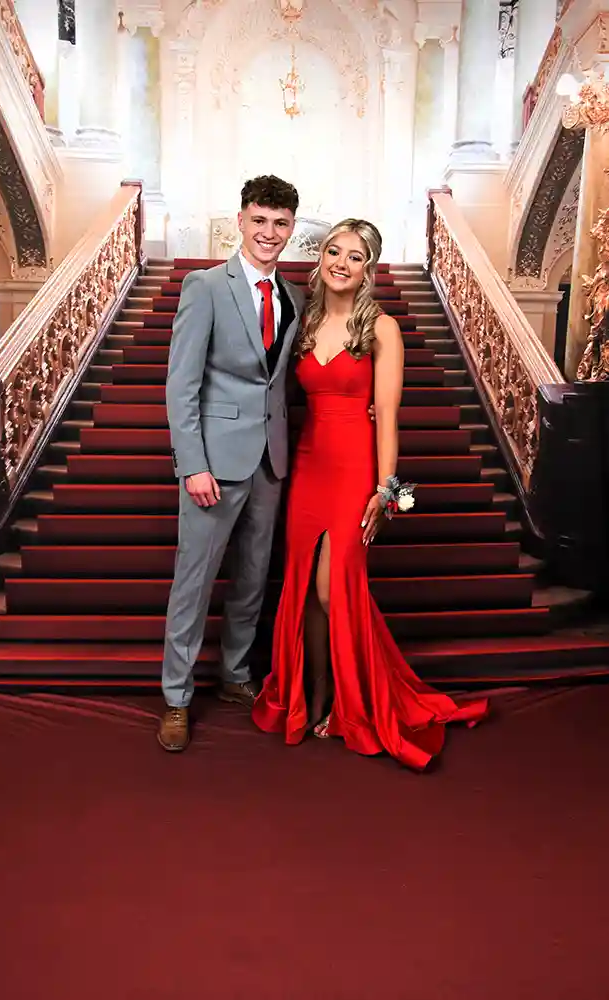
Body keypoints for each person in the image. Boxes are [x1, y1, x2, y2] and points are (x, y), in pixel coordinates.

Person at [252, 219, 489, 770]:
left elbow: (388, 418)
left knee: (336, 590)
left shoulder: (382, 328)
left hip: (357, 468)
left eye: (355, 256)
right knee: (307, 590)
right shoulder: (303, 320)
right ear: (321, 257)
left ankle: (351, 701)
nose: (341, 262)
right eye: (334, 251)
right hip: (308, 466)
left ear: (368, 268)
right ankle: (312, 697)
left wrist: (388, 491)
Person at [158, 175, 305, 752]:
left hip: (271, 460)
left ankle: (236, 674)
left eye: (281, 223)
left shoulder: (293, 296)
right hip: (214, 464)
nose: (270, 233)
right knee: (193, 583)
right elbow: (181, 384)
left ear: (292, 228)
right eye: (260, 221)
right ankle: (176, 697)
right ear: (241, 221)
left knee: (251, 578)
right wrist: (192, 463)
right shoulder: (205, 286)